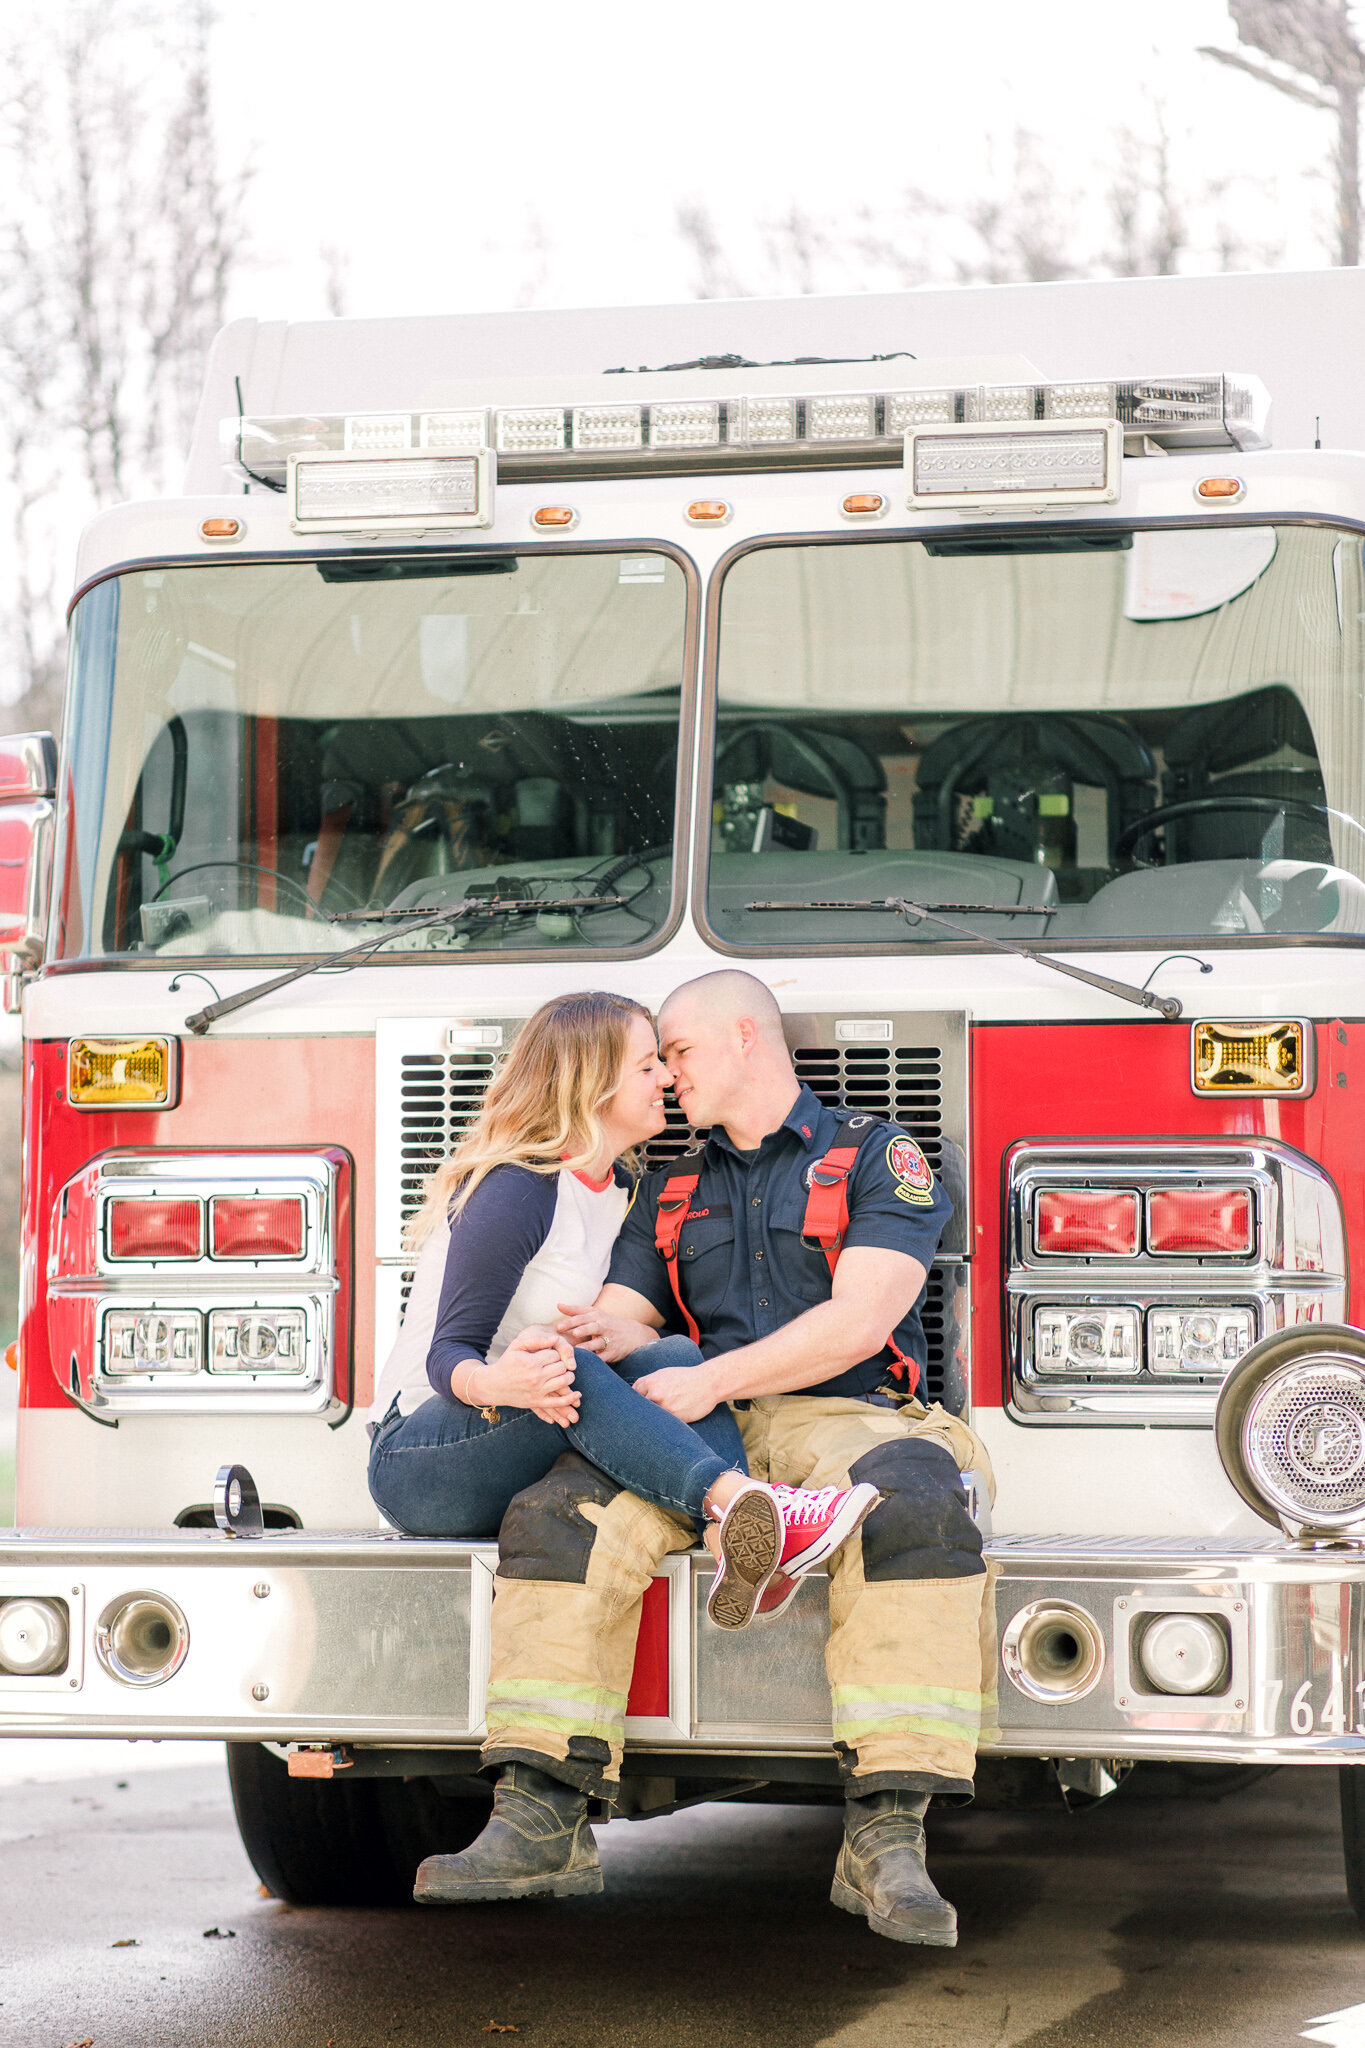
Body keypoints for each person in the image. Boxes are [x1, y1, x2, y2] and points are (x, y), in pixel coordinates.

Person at [415, 970, 994, 1949]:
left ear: (742, 1037)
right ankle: (539, 1815)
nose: (668, 1075)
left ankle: (887, 1838)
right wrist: (593, 1335)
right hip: (699, 1418)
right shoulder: (669, 1187)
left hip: (840, 1413)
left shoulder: (877, 1154)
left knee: (916, 1500)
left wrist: (705, 1374)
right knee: (558, 1513)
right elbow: (630, 1313)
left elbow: (862, 1316)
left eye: (675, 1051)